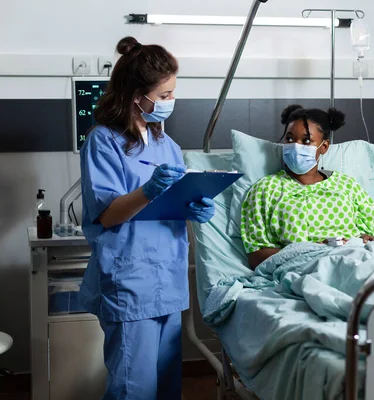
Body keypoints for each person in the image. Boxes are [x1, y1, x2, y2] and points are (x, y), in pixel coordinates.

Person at [79, 36, 215, 400]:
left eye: (172, 93)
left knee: (168, 385)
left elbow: (169, 205)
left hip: (167, 278)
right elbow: (107, 215)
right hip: (130, 279)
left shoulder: (166, 144)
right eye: (165, 95)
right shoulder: (103, 141)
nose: (170, 102)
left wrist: (194, 207)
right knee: (133, 388)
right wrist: (148, 190)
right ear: (136, 95)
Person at [241, 104, 374, 269]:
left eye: (306, 140)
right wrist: (314, 250)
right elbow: (255, 255)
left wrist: (367, 240)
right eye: (289, 138)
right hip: (307, 268)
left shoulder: (347, 186)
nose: (295, 146)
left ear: (324, 147)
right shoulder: (266, 189)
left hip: (357, 259)